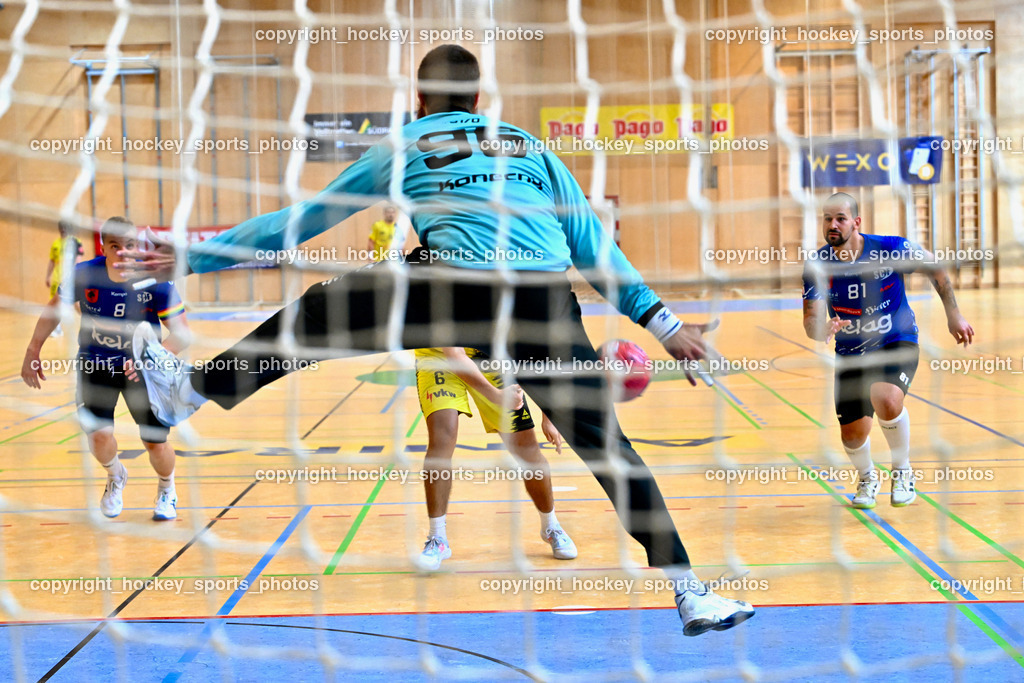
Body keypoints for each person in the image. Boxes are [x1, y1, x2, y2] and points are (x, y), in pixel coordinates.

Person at [122, 45, 754, 636]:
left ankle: (189, 391)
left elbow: (300, 223)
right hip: (539, 302)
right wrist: (666, 326)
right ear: (480, 101)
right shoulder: (534, 149)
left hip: (448, 284)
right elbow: (596, 249)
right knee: (609, 449)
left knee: (316, 316)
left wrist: (192, 257)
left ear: (418, 101)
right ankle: (690, 588)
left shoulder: (407, 143)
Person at [802, 192, 975, 509]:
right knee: (852, 437)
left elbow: (935, 268)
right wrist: (819, 329)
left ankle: (902, 470)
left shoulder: (890, 248)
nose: (833, 225)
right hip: (851, 352)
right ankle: (868, 477)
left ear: (856, 222)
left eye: (840, 218)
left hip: (897, 339)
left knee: (886, 397)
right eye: (827, 219)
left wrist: (955, 314)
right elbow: (810, 318)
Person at [22, 217, 191, 521]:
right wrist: (33, 348)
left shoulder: (155, 281)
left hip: (143, 372)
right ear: (105, 247)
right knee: (99, 436)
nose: (123, 253)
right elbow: (54, 308)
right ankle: (116, 476)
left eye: (130, 246)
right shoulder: (84, 275)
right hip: (95, 366)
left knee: (155, 442)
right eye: (116, 246)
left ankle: (167, 487)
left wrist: (150, 358)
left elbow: (182, 334)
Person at [414, 346, 576, 571]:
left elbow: (542, 353)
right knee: (442, 437)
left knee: (527, 449)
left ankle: (551, 526)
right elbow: (455, 355)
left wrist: (550, 415)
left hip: (489, 354)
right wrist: (497, 396)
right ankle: (437, 538)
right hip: (439, 357)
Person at [45, 220, 85, 337]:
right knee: (54, 304)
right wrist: (48, 276)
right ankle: (57, 329)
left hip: (71, 279)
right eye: (61, 227)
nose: (63, 229)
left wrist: (75, 276)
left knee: (77, 304)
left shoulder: (76, 242)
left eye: (65, 227)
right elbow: (52, 261)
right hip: (57, 279)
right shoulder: (56, 244)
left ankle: (89, 322)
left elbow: (78, 261)